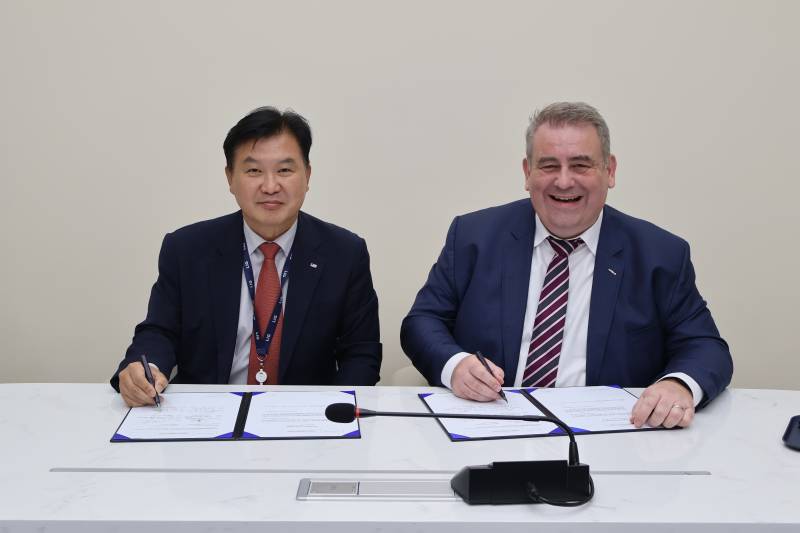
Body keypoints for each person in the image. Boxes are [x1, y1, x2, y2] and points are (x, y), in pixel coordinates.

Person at [401, 102, 732, 429]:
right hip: (492, 426)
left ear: (610, 171)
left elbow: (706, 347)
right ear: (527, 173)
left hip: (612, 438)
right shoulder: (474, 237)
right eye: (548, 166)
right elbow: (422, 321)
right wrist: (456, 366)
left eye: (580, 165)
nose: (563, 181)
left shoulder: (659, 254)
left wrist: (678, 384)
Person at [112, 107, 381, 406]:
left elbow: (361, 354)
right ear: (230, 178)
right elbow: (159, 331)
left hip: (302, 415)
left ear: (307, 175)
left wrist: (333, 411)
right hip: (206, 414)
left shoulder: (345, 254)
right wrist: (145, 369)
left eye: (284, 170)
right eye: (253, 171)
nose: (270, 186)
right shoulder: (187, 249)